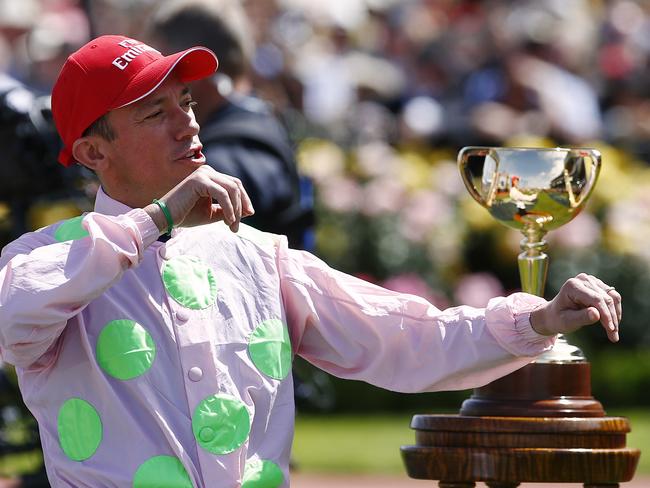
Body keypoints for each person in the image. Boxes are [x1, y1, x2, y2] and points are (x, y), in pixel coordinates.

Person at [0, 35, 621, 487]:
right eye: (154, 113)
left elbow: (406, 337)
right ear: (92, 151)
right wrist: (156, 218)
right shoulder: (45, 262)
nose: (186, 123)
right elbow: (11, 320)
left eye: (186, 103)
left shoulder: (260, 256)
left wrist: (538, 321)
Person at [144, 0, 312, 249]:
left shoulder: (233, 152)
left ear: (195, 64)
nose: (156, 80)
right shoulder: (254, 117)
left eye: (164, 64)